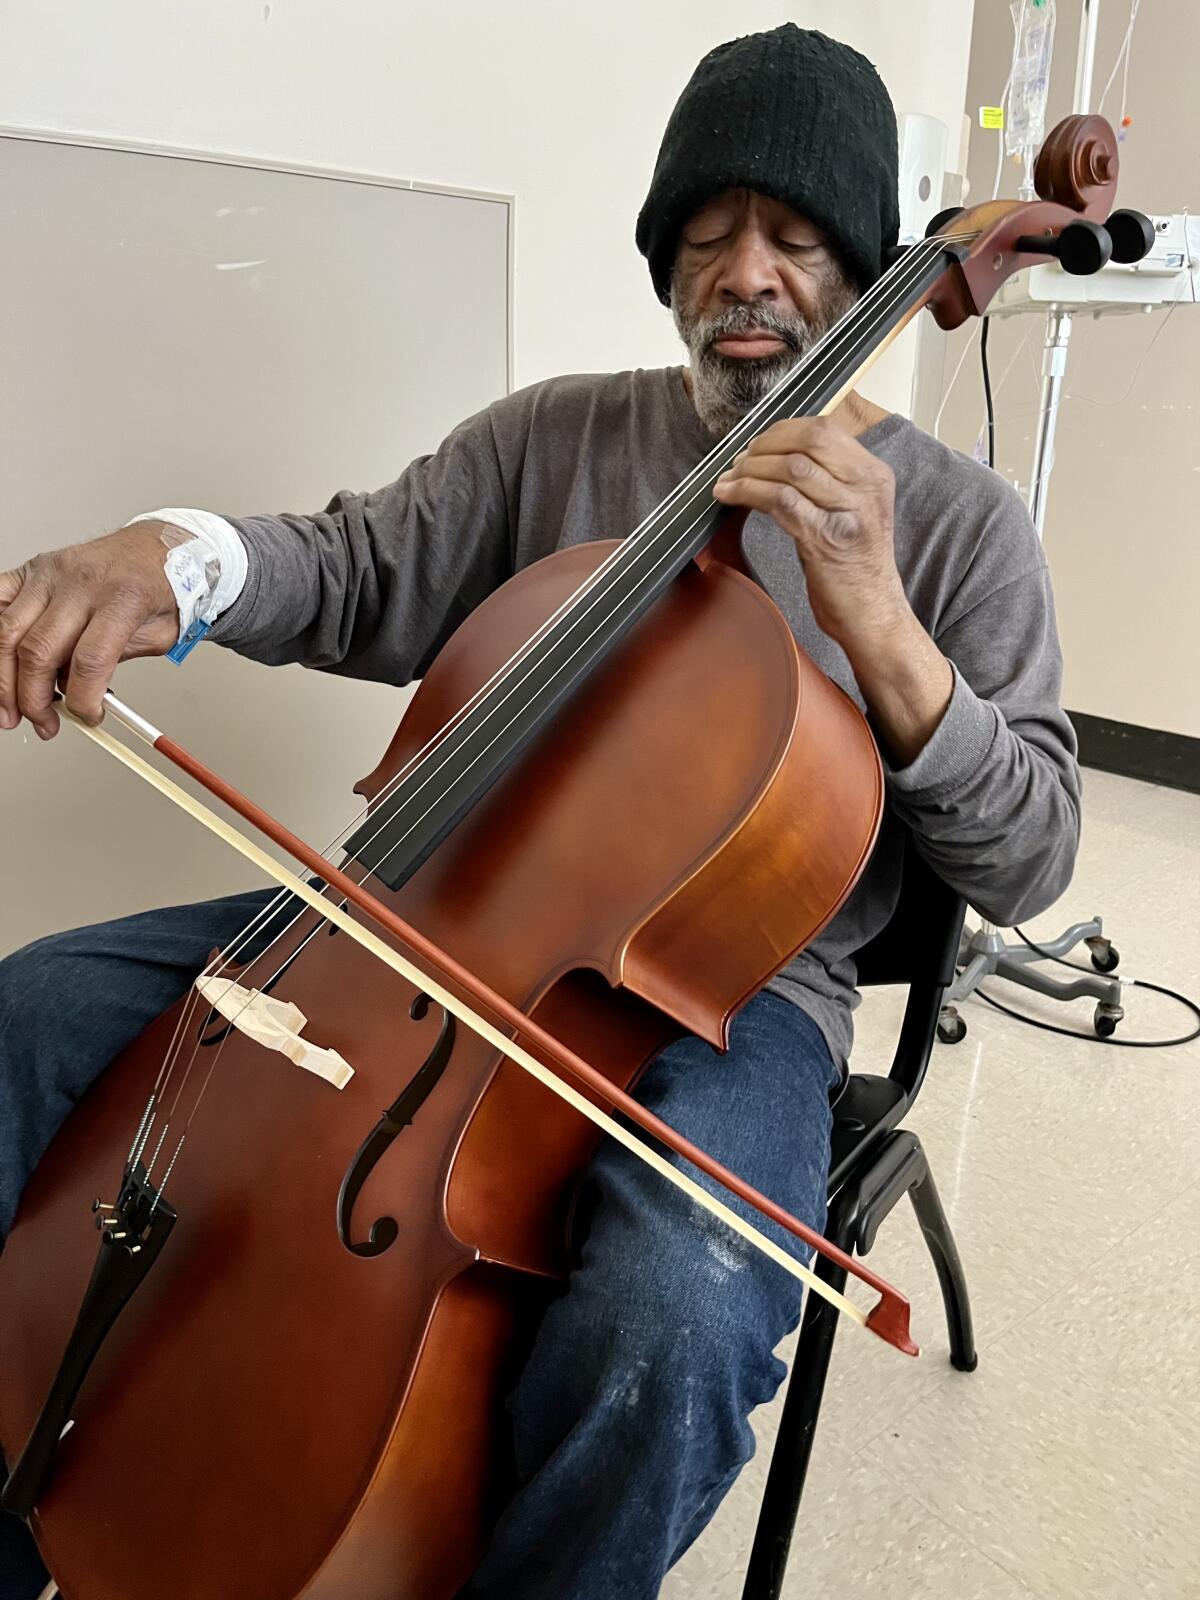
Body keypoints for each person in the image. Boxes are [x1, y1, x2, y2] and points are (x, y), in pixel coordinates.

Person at [0, 24, 1080, 1600]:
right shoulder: (558, 436)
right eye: (705, 238)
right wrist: (180, 562)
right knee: (32, 1014)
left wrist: (889, 638)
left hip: (735, 998)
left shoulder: (969, 531)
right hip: (420, 912)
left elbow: (1034, 851)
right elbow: (354, 562)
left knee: (681, 1311)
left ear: (862, 273)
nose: (746, 277)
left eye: (791, 238)